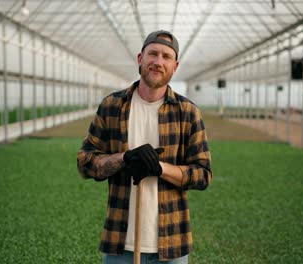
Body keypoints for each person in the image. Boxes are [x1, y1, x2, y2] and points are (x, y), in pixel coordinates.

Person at [77, 30, 212, 263]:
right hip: (121, 244)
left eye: (166, 57)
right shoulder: (112, 106)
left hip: (172, 244)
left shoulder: (187, 112)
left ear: (175, 66)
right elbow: (85, 163)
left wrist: (160, 168)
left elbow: (202, 175)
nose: (158, 62)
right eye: (153, 54)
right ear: (141, 58)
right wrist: (124, 158)